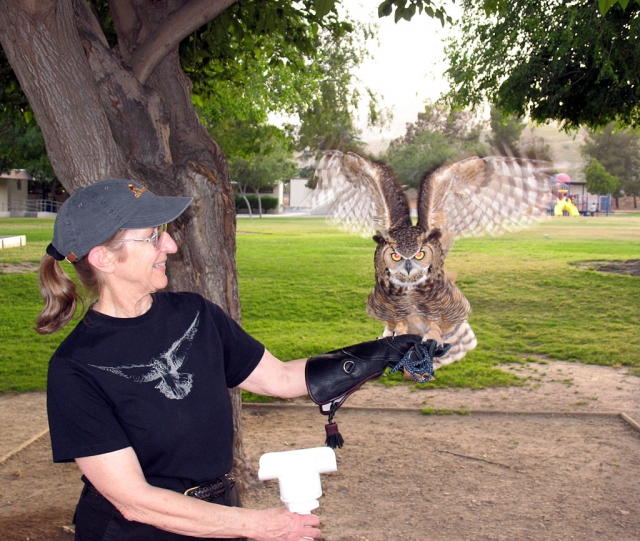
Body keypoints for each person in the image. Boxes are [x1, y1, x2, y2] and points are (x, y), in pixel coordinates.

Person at [36, 179, 423, 541]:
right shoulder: (75, 368)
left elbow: (281, 379)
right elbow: (133, 499)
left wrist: (382, 352)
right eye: (153, 236)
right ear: (104, 258)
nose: (169, 246)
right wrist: (257, 525)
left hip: (220, 518)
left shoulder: (195, 315)